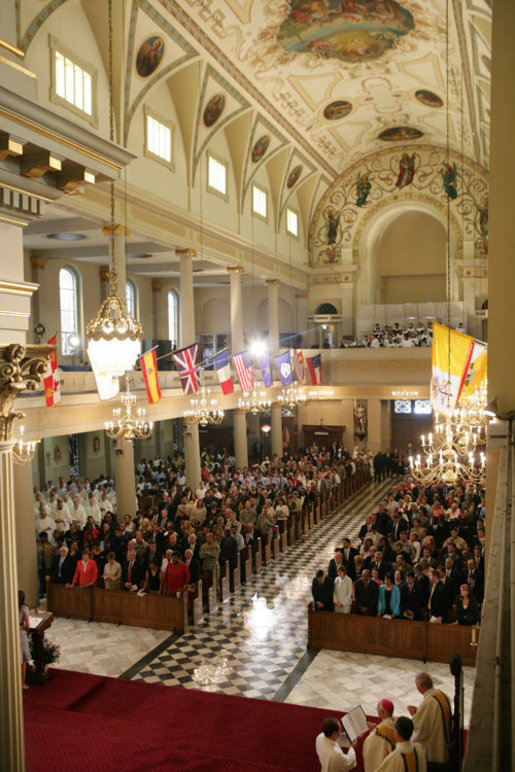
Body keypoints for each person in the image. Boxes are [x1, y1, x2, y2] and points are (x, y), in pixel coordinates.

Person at [408, 672, 451, 765]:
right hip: (446, 739)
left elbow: (421, 730)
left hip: (435, 746)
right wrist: (418, 712)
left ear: (421, 688)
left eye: (417, 686)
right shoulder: (442, 694)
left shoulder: (429, 702)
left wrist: (415, 717)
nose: (417, 688)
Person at [362, 698, 396, 771]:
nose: (377, 711)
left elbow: (368, 744)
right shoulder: (395, 723)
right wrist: (375, 728)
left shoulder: (379, 732)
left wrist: (373, 731)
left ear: (383, 712)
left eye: (377, 709)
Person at [19, 590, 31, 690]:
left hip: (13, 633)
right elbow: (27, 626)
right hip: (21, 634)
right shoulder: (24, 608)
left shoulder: (11, 606)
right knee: (22, 660)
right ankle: (22, 684)